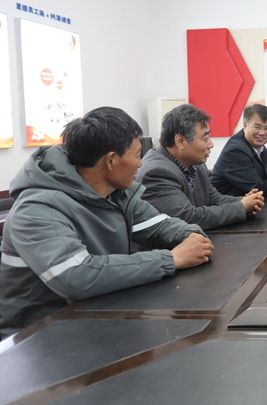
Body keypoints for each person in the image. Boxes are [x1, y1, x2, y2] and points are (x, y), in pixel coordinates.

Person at [0, 107, 214, 338]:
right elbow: (76, 276)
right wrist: (171, 259)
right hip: (39, 336)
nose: (140, 164)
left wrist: (192, 236)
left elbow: (161, 226)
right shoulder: (37, 209)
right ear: (111, 160)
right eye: (137, 155)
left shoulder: (117, 194)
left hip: (100, 316)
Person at [136, 104, 265, 230]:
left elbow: (213, 198)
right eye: (205, 139)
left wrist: (247, 200)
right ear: (180, 141)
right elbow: (188, 217)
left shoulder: (196, 164)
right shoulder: (156, 172)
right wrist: (242, 207)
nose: (211, 145)